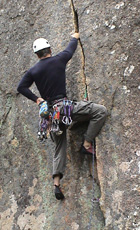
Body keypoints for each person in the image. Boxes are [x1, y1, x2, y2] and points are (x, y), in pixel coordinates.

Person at [17, 32, 107, 200]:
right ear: (49, 49)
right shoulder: (59, 59)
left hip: (50, 116)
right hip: (66, 110)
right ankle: (86, 144)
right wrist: (75, 36)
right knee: (100, 111)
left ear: (37, 54)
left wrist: (37, 99)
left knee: (59, 147)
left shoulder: (33, 70)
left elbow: (21, 87)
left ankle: (56, 184)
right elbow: (71, 48)